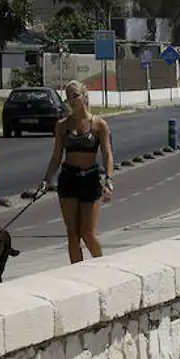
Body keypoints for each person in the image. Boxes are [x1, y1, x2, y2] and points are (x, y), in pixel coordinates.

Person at [41, 80, 114, 264]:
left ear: (84, 96)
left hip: (90, 179)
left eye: (75, 96)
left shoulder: (99, 125)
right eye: (68, 97)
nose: (72, 101)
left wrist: (108, 180)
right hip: (69, 179)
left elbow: (107, 154)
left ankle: (103, 267)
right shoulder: (62, 125)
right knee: (72, 235)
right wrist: (46, 179)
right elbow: (57, 156)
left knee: (87, 233)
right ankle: (77, 272)